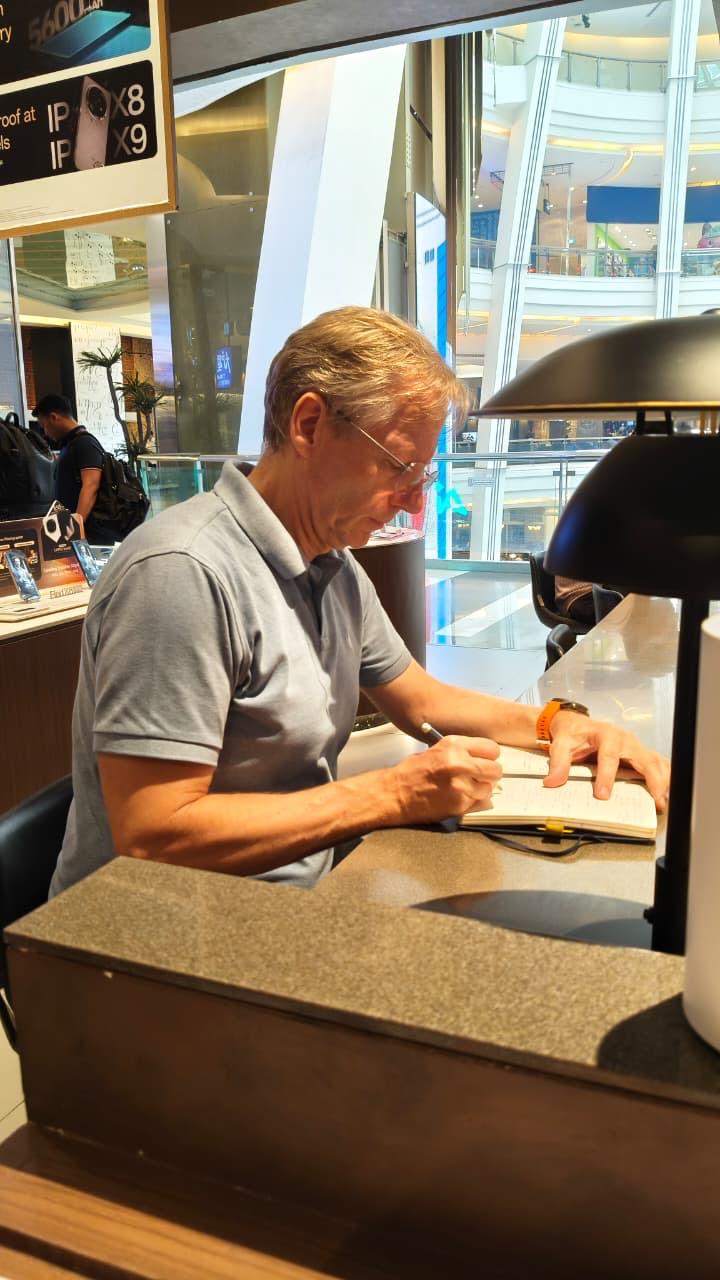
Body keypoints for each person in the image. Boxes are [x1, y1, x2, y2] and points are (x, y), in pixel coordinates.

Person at [49, 307, 669, 897]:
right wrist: (392, 795)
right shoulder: (182, 574)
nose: (414, 503)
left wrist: (559, 723)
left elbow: (422, 700)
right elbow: (154, 835)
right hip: (149, 952)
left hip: (289, 900)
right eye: (400, 465)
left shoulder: (332, 562)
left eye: (422, 475)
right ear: (310, 425)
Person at [32, 393, 117, 544]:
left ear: (54, 417)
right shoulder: (70, 445)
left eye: (44, 426)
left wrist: (75, 529)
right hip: (73, 528)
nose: (45, 433)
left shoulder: (84, 444)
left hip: (90, 534)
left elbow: (91, 486)